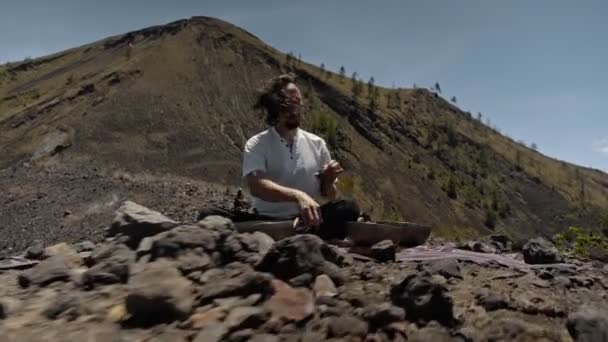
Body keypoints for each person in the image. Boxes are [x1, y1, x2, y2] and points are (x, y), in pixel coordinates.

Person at [198, 74, 360, 240]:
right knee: (208, 214)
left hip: (309, 218)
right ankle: (296, 233)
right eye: (288, 104)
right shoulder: (257, 143)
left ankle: (291, 232)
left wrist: (327, 180)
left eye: (298, 103)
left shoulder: (317, 143)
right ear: (274, 107)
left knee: (349, 208)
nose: (294, 110)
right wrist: (299, 196)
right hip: (267, 218)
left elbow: (330, 195)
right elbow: (257, 186)